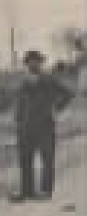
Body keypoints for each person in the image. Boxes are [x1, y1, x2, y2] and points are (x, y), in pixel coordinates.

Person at [14, 49, 74, 201]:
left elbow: (68, 93)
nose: (32, 64)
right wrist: (18, 120)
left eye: (35, 61)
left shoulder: (49, 79)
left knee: (47, 159)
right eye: (29, 61)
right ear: (26, 64)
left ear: (40, 63)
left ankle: (46, 191)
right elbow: (20, 103)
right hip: (26, 127)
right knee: (25, 159)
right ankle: (26, 191)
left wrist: (56, 108)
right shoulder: (23, 82)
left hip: (45, 126)